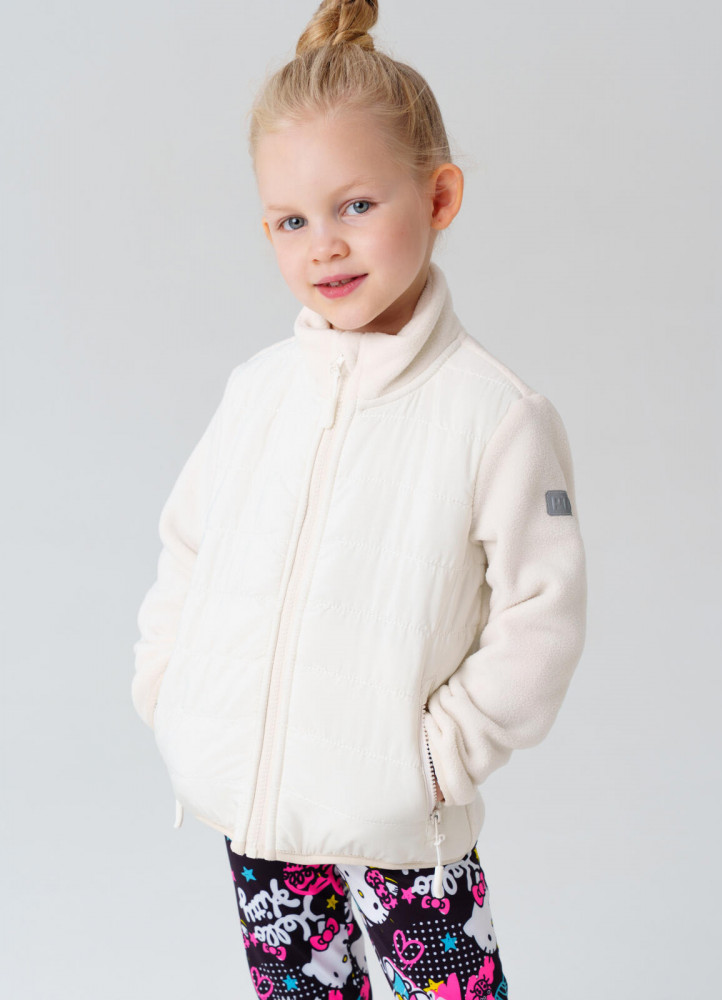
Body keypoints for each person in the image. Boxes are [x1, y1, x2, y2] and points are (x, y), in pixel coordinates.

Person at [132, 2, 587, 998]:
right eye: (292, 221)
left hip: (403, 827)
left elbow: (541, 614)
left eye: (356, 206)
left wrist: (436, 757)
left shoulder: (493, 414)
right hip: (259, 816)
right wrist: (175, 694)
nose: (325, 246)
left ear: (440, 195)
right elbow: (187, 551)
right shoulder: (258, 393)